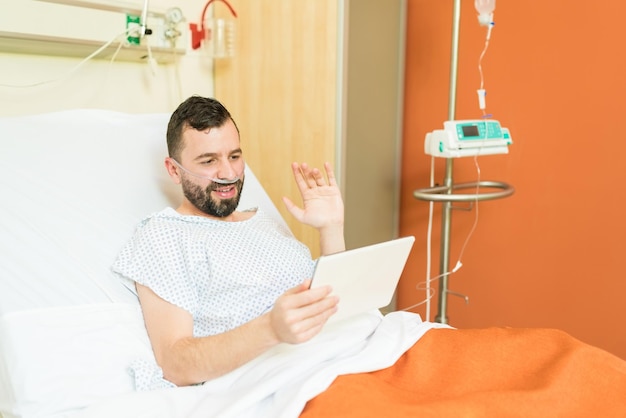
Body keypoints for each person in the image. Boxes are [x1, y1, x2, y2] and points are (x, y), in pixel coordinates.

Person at [113, 95, 344, 389]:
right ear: (173, 170)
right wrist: (271, 328)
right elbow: (174, 363)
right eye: (209, 161)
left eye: (234, 156)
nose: (228, 174)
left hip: (344, 352)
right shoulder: (165, 236)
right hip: (288, 379)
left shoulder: (264, 223)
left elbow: (333, 301)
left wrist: (331, 228)